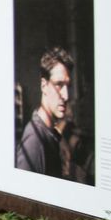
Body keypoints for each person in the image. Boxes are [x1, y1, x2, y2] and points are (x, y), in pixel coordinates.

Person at [14, 46, 93, 184]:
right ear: (44, 86)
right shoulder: (34, 141)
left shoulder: (48, 133)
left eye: (68, 86)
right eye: (59, 84)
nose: (66, 95)